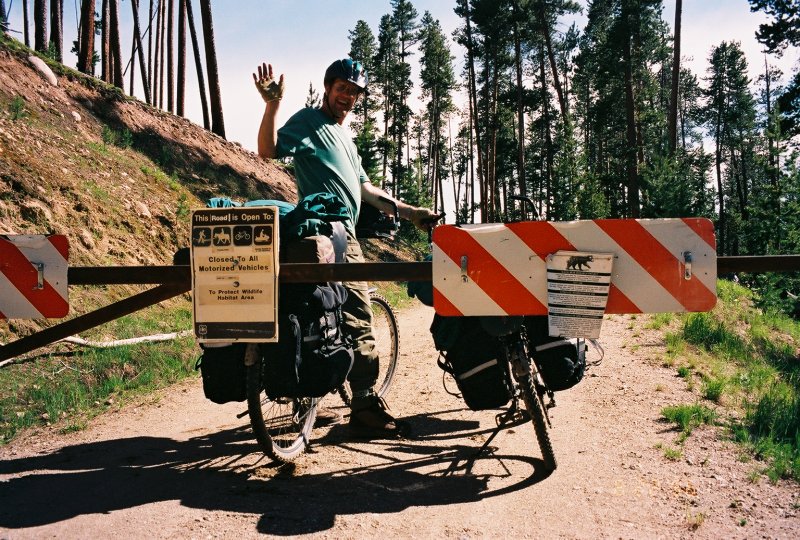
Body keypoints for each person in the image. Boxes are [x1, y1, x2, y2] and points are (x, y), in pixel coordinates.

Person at [254, 58, 440, 438]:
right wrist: (272, 105)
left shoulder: (346, 140)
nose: (348, 96)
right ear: (328, 87)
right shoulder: (309, 122)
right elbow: (268, 151)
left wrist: (408, 212)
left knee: (323, 313)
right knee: (359, 313)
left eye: (355, 91)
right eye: (343, 88)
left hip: (339, 233)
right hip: (331, 232)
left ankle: (310, 392)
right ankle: (365, 404)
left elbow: (366, 190)